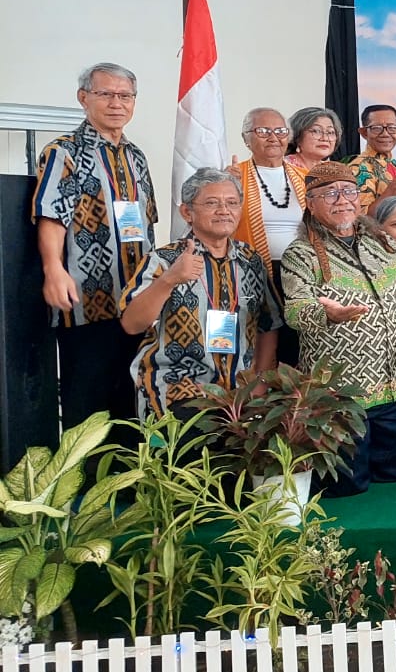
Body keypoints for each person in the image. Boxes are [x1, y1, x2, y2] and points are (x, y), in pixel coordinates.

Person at [279, 161, 396, 495]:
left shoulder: (384, 243)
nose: (342, 200)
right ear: (310, 203)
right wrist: (327, 314)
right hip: (339, 397)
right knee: (346, 489)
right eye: (329, 193)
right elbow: (294, 311)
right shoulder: (300, 254)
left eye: (348, 191)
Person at [34, 62, 157, 427]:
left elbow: (147, 223)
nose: (117, 103)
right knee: (87, 411)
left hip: (136, 301)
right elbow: (52, 215)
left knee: (132, 407)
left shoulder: (136, 156)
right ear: (83, 98)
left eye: (125, 96)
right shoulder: (64, 151)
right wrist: (53, 269)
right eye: (106, 94)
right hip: (87, 304)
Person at [121, 168, 282, 420]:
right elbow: (131, 324)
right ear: (187, 212)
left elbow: (269, 324)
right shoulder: (164, 260)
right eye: (211, 203)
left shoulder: (251, 260)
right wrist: (169, 280)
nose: (224, 210)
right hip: (178, 390)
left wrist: (259, 381)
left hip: (239, 393)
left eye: (232, 203)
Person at [233, 107, 306, 268]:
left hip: (300, 268)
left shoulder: (305, 177)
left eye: (280, 131)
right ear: (246, 138)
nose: (273, 138)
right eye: (263, 131)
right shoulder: (234, 176)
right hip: (247, 267)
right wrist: (226, 185)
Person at [348, 104, 396, 213]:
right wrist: (395, 186)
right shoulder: (358, 168)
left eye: (392, 128)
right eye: (376, 128)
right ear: (364, 133)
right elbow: (361, 218)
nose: (385, 134)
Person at [285, 107, 342, 172]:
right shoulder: (282, 168)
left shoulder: (332, 172)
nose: (325, 138)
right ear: (297, 136)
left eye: (330, 132)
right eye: (316, 131)